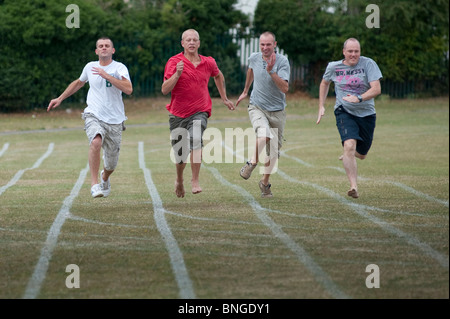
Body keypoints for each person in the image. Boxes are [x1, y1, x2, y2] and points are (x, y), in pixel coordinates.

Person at [47, 37, 132, 198]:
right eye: (101, 46)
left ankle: (104, 177)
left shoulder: (119, 68)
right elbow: (79, 83)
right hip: (93, 114)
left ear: (113, 50)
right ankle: (94, 184)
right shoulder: (90, 66)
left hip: (115, 120)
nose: (104, 48)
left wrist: (107, 75)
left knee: (111, 164)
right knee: (95, 141)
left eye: (107, 46)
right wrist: (60, 98)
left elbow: (128, 89)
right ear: (96, 51)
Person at [162, 29, 235, 198]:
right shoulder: (174, 62)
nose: (192, 42)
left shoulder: (208, 62)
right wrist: (177, 74)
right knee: (180, 155)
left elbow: (218, 76)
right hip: (177, 115)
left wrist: (224, 98)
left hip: (200, 111)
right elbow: (165, 89)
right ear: (183, 43)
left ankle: (195, 180)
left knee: (196, 139)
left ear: (199, 43)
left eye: (195, 39)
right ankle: (179, 180)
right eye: (188, 40)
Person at [316, 37, 382, 199]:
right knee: (350, 144)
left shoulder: (368, 64)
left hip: (366, 113)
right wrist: (321, 106)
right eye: (350, 51)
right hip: (344, 110)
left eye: (356, 51)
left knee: (362, 153)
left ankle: (348, 154)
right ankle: (353, 186)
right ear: (344, 52)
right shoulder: (334, 67)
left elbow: (376, 89)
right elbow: (324, 83)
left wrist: (359, 98)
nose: (353, 54)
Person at [236, 31, 290, 198]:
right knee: (264, 133)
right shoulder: (254, 57)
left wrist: (271, 71)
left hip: (278, 111)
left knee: (273, 152)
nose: (265, 48)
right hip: (257, 106)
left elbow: (285, 88)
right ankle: (252, 162)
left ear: (275, 44)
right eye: (262, 45)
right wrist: (245, 90)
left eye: (268, 44)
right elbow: (250, 71)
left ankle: (265, 183)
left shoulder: (282, 61)